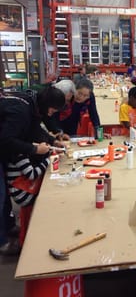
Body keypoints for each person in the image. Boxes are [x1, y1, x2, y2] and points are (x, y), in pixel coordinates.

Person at [0, 86, 66, 255]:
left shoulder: (32, 105)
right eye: (52, 110)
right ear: (46, 104)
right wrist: (34, 150)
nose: (51, 114)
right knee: (0, 195)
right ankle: (3, 242)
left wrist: (53, 141)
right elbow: (6, 140)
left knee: (4, 195)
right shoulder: (21, 111)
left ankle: (7, 227)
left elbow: (34, 129)